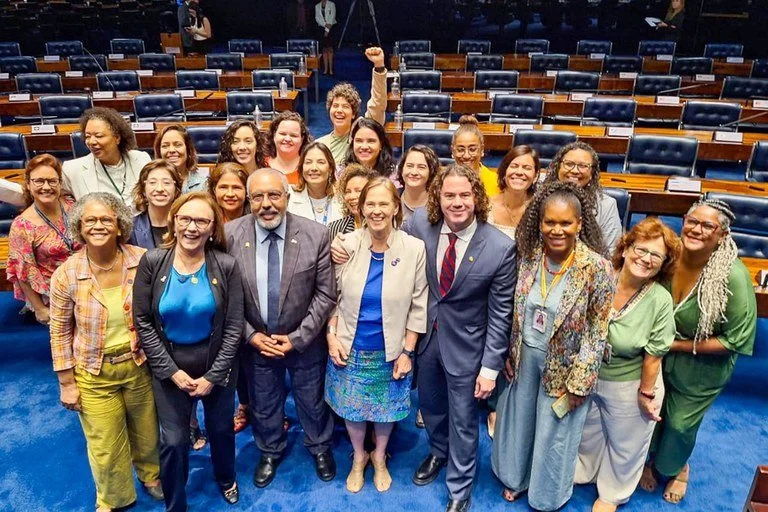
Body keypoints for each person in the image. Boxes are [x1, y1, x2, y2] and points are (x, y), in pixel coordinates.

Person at [491, 181, 614, 511]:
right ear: (540, 221)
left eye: (565, 223)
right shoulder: (529, 257)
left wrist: (579, 384)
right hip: (524, 357)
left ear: (579, 224)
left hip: (566, 365)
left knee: (553, 432)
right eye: (550, 222)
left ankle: (545, 495)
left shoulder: (597, 268)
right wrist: (508, 352)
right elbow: (514, 310)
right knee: (519, 421)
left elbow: (597, 332)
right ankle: (515, 478)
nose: (556, 230)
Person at [405, 164, 517, 512]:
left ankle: (460, 485)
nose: (457, 202)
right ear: (437, 197)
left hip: (469, 348)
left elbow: (500, 314)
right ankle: (438, 451)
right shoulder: (418, 225)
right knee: (430, 407)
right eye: (449, 195)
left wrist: (490, 368)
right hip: (426, 339)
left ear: (477, 197)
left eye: (465, 195)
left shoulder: (500, 247)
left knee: (464, 420)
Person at [48, 192, 163, 512]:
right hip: (93, 372)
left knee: (147, 432)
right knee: (106, 444)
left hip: (139, 365)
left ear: (119, 225)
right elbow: (59, 332)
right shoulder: (67, 274)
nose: (98, 226)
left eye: (106, 219)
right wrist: (66, 383)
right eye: (90, 220)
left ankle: (151, 476)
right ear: (80, 227)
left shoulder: (143, 260)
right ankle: (113, 498)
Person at [226, 168, 337, 488]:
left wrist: (298, 338)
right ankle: (270, 450)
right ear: (249, 201)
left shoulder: (316, 234)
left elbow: (326, 293)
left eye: (274, 195)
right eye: (258, 197)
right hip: (256, 341)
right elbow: (226, 297)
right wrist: (250, 335)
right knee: (263, 401)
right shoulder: (230, 235)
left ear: (287, 197)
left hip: (304, 341)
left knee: (312, 400)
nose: (266, 204)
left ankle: (319, 446)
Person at [640, 199, 757, 505]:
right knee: (651, 414)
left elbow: (734, 341)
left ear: (722, 235)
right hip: (658, 356)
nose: (697, 229)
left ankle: (676, 468)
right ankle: (649, 458)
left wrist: (674, 344)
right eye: (692, 221)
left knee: (679, 425)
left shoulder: (733, 276)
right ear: (683, 221)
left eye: (708, 226)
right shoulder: (669, 257)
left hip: (701, 366)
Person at [134, 192, 245, 510]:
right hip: (170, 363)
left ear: (212, 228)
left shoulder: (226, 265)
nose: (192, 227)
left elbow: (234, 326)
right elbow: (143, 321)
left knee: (221, 429)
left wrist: (213, 376)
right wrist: (171, 372)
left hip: (216, 363)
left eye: (201, 221)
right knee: (173, 441)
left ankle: (226, 478)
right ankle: (175, 502)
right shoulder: (152, 261)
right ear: (174, 221)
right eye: (185, 219)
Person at [326, 177, 428, 493]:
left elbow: (419, 305)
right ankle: (359, 456)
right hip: (349, 346)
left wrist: (407, 352)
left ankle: (380, 456)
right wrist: (331, 336)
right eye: (370, 204)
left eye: (384, 203)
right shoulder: (345, 245)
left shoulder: (414, 249)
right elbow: (331, 297)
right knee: (353, 409)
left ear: (396, 207)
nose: (376, 210)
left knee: (386, 411)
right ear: (361, 208)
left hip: (392, 349)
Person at [575, 217, 680, 512]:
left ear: (663, 265)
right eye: (641, 249)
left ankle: (612, 494)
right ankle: (585, 471)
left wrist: (646, 394)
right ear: (625, 248)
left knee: (626, 444)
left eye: (656, 256)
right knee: (589, 431)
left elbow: (654, 355)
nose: (646, 259)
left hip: (632, 382)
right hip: (591, 375)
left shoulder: (660, 299)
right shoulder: (601, 277)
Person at [485, 145, 540, 438]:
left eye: (526, 168)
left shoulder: (540, 208)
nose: (519, 172)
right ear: (503, 171)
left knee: (516, 342)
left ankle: (502, 404)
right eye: (514, 166)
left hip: (528, 286)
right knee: (491, 338)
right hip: (489, 284)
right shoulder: (486, 205)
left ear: (536, 175)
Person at [7, 154, 80, 324]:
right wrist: (40, 309)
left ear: (60, 183)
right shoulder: (22, 226)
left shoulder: (74, 206)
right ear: (28, 184)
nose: (46, 187)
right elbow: (23, 272)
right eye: (39, 181)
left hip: (89, 284)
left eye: (52, 181)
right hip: (57, 297)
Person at [62, 108, 152, 208]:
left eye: (99, 136)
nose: (91, 142)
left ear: (117, 138)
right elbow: (57, 196)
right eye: (87, 136)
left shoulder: (142, 159)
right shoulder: (72, 169)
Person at [543, 141, 622, 253]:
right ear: (558, 167)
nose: (575, 171)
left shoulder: (606, 205)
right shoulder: (542, 197)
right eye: (569, 164)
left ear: (592, 173)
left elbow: (612, 251)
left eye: (583, 166)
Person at [316, 47, 388, 164]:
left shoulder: (363, 133)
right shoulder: (320, 145)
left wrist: (379, 66)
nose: (339, 110)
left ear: (354, 113)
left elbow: (378, 103)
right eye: (335, 106)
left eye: (345, 106)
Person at [129, 159, 183, 250]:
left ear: (176, 190)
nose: (159, 189)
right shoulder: (130, 228)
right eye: (152, 183)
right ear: (143, 190)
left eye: (166, 183)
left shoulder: (186, 225)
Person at [287, 142, 345, 226]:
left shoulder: (343, 198)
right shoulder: (289, 197)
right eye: (308, 162)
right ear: (301, 168)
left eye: (320, 162)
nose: (314, 168)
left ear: (330, 169)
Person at [451, 115, 499, 197]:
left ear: (482, 150)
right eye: (461, 150)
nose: (466, 156)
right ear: (453, 150)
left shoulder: (496, 182)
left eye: (472, 149)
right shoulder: (441, 181)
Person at [153, 125, 209, 193]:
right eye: (165, 146)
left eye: (178, 145)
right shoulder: (151, 185)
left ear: (188, 149)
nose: (171, 150)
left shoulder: (204, 186)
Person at [327, 164, 375, 239]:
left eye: (358, 191)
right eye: (348, 192)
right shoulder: (335, 228)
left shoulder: (383, 225)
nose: (352, 196)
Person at [264, 111, 313, 184]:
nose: (287, 139)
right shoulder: (261, 165)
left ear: (302, 139)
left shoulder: (310, 167)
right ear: (274, 135)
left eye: (293, 135)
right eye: (283, 134)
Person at [343, 118, 397, 183]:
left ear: (381, 145)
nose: (364, 147)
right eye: (359, 141)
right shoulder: (341, 173)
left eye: (371, 141)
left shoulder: (394, 176)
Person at [397, 144, 440, 222]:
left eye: (421, 167)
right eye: (410, 166)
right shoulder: (391, 198)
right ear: (402, 169)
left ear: (431, 172)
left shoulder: (439, 204)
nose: (414, 172)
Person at [315, 0, 337, 75]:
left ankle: (330, 69)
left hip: (331, 28)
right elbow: (317, 18)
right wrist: (325, 25)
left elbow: (332, 16)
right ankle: (325, 69)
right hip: (322, 28)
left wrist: (328, 29)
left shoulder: (332, 4)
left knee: (330, 49)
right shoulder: (317, 6)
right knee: (324, 49)